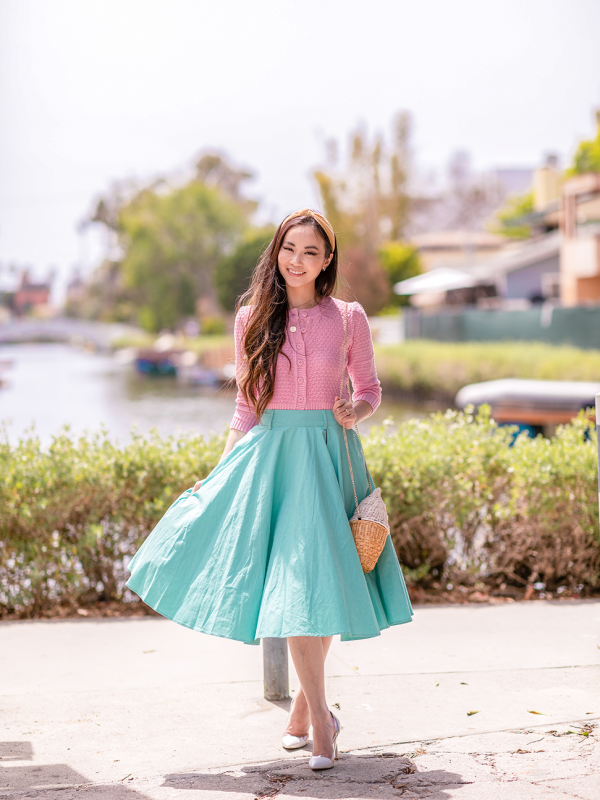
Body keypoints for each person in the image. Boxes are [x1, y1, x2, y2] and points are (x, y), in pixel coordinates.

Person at [126, 209, 413, 770]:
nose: (298, 261)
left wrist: (354, 409)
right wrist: (220, 472)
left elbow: (371, 388)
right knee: (299, 590)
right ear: (276, 252)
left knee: (323, 585)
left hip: (331, 455)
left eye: (311, 252)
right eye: (289, 249)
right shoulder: (251, 317)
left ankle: (308, 712)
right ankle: (323, 728)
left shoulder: (349, 317)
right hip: (274, 460)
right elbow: (245, 405)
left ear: (327, 259)